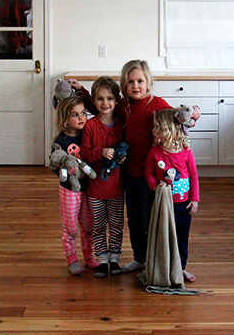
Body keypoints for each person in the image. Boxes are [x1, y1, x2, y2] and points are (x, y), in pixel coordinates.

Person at [116, 60, 171, 274]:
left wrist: (193, 114)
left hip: (151, 175)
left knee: (151, 220)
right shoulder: (123, 107)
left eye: (140, 81)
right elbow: (100, 106)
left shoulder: (157, 104)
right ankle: (139, 258)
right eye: (130, 82)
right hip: (130, 173)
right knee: (134, 219)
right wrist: (80, 92)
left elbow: (176, 119)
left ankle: (155, 260)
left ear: (148, 81)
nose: (135, 86)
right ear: (124, 84)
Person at [145, 108, 199, 283]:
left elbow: (193, 175)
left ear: (169, 130)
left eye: (157, 128)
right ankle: (164, 268)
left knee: (181, 237)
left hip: (183, 204)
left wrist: (194, 199)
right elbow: (149, 174)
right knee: (164, 237)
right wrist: (155, 187)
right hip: (163, 204)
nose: (153, 131)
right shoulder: (154, 153)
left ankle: (180, 268)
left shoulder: (186, 151)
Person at [80, 77, 126, 277]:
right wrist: (101, 152)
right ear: (93, 100)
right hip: (96, 188)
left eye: (109, 98)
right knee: (98, 225)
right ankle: (102, 260)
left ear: (116, 100)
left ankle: (114, 259)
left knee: (116, 225)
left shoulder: (121, 124)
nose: (105, 103)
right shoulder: (90, 125)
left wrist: (122, 157)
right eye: (100, 99)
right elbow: (84, 153)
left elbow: (126, 149)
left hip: (116, 187)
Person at [52, 96, 99, 275]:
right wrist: (63, 172)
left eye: (83, 113)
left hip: (88, 187)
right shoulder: (60, 142)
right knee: (70, 226)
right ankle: (71, 259)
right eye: (75, 115)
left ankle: (89, 256)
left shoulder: (88, 134)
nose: (81, 118)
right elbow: (53, 164)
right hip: (69, 189)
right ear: (65, 118)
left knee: (88, 225)